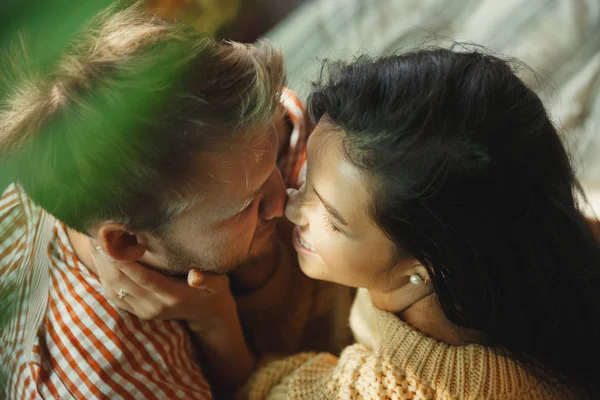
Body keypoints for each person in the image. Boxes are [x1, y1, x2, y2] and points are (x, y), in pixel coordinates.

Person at [109, 48, 600, 398]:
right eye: (305, 175)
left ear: (423, 269)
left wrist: (215, 323)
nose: (287, 205)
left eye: (333, 217)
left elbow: (265, 391)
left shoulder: (408, 388)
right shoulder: (531, 233)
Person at [0, 3, 352, 399]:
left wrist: (228, 307)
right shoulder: (116, 382)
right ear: (127, 243)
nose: (284, 202)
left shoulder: (240, 144)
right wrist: (218, 324)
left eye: (270, 163)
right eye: (246, 206)